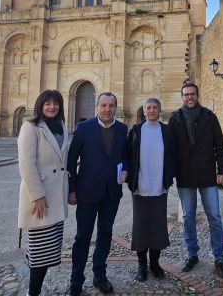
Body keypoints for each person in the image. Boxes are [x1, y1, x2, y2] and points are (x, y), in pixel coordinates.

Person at [65, 92, 128, 296]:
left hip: (111, 192)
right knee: (82, 237)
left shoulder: (122, 129)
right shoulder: (83, 128)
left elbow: (126, 156)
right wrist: (72, 189)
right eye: (103, 105)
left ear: (115, 107)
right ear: (96, 107)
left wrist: (126, 169)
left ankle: (99, 275)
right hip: (87, 191)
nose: (107, 109)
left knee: (105, 234)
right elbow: (71, 161)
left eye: (111, 105)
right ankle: (76, 281)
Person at [169, 81, 223, 278]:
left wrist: (222, 170)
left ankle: (219, 257)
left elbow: (219, 146)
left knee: (214, 217)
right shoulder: (175, 118)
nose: (190, 97)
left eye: (192, 94)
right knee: (187, 217)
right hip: (185, 175)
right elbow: (170, 150)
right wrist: (169, 174)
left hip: (207, 174)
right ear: (182, 97)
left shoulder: (210, 117)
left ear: (197, 95)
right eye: (186, 94)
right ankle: (192, 254)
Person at [17, 90, 71, 296]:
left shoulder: (62, 128)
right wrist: (37, 195)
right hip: (41, 198)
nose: (52, 107)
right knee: (41, 252)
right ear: (40, 105)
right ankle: (34, 293)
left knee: (49, 251)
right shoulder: (30, 127)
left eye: (56, 103)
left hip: (56, 197)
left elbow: (64, 162)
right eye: (47, 103)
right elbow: (26, 164)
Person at [124, 97, 176, 282]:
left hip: (160, 186)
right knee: (140, 226)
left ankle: (155, 263)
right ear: (144, 111)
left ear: (159, 110)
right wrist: (126, 174)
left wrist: (170, 177)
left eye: (155, 107)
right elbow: (128, 156)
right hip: (140, 186)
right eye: (148, 108)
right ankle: (141, 264)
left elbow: (172, 155)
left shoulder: (167, 131)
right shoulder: (136, 131)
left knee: (157, 227)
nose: (152, 110)